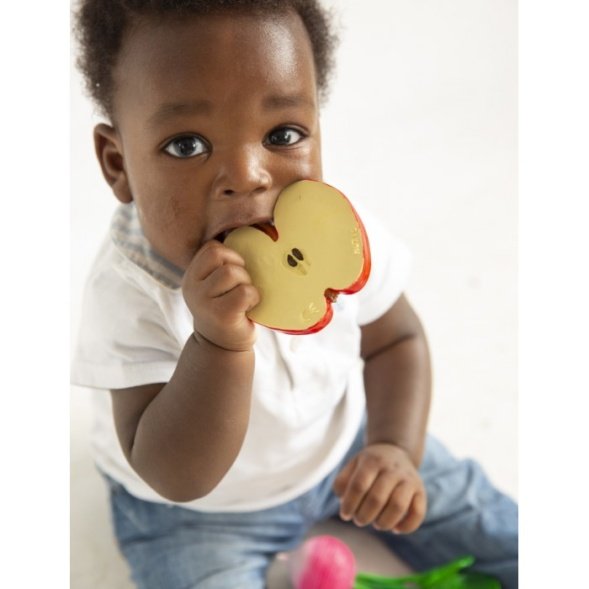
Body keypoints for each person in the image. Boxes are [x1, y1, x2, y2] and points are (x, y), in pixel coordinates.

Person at [71, 1, 518, 587]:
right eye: (187, 145)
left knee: (503, 530)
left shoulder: (335, 232)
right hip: (200, 520)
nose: (248, 174)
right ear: (118, 163)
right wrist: (218, 345)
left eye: (282, 135)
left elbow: (397, 340)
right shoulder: (129, 294)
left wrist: (392, 449)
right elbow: (175, 475)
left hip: (344, 446)